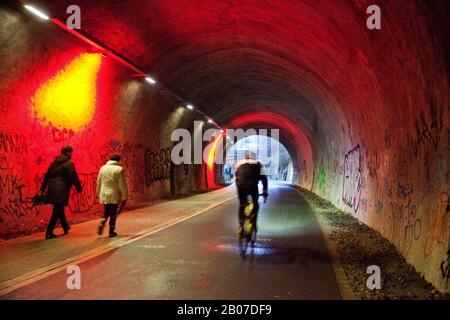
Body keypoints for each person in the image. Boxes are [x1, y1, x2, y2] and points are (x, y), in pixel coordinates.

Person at [40, 146, 82, 240]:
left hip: (52, 188)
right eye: (71, 152)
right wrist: (79, 188)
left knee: (58, 207)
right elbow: (73, 176)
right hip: (62, 189)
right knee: (56, 210)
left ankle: (65, 227)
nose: (72, 154)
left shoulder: (53, 163)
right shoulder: (69, 163)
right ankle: (49, 232)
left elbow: (47, 176)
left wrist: (42, 189)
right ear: (68, 152)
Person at [234, 151, 268, 235]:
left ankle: (241, 224)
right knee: (255, 203)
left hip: (240, 186)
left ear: (245, 157)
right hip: (252, 186)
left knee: (242, 205)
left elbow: (236, 177)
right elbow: (264, 179)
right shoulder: (257, 164)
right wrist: (264, 191)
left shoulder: (239, 164)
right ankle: (253, 221)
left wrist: (239, 186)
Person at [96, 154, 128, 237]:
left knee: (107, 210)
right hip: (114, 193)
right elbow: (122, 184)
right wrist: (125, 195)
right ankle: (111, 231)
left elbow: (99, 181)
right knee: (113, 212)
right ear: (118, 161)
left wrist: (98, 193)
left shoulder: (102, 168)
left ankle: (102, 221)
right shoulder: (119, 169)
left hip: (104, 193)